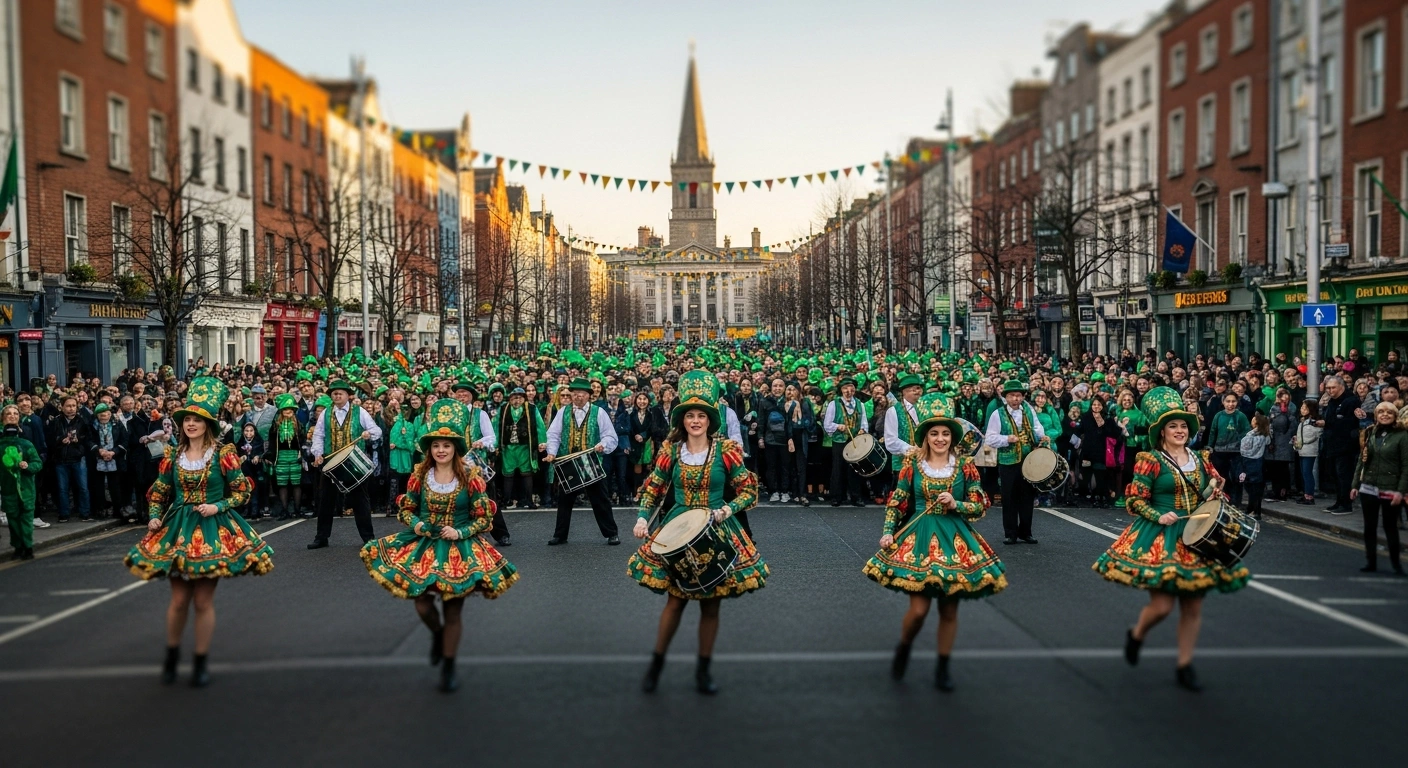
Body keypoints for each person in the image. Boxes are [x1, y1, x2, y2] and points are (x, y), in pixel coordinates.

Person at [1093, 386, 1250, 692]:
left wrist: (1216, 490)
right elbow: (1135, 501)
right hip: (1162, 534)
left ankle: (1185, 664)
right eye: (1172, 426)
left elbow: (1214, 494)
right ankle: (1137, 634)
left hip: (1198, 535)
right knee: (1163, 607)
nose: (1179, 430)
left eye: (1183, 426)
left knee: (1193, 607)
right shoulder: (1149, 460)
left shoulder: (1202, 458)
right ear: (1161, 432)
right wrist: (1158, 515)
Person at [123, 377, 274, 688]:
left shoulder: (223, 453)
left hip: (211, 529)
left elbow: (242, 491)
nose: (190, 424)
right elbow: (159, 491)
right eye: (187, 419)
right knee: (179, 600)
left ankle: (201, 660)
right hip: (177, 527)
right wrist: (153, 518)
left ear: (208, 425)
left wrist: (217, 507)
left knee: (203, 602)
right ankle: (172, 655)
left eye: (197, 420)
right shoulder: (171, 455)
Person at [360, 399, 519, 692]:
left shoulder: (470, 476)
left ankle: (449, 664)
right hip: (423, 545)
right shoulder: (420, 473)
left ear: (455, 448)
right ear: (430, 449)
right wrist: (417, 524)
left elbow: (485, 516)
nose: (441, 450)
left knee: (453, 608)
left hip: (460, 548)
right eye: (436, 446)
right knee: (422, 603)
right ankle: (438, 635)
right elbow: (406, 509)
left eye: (446, 445)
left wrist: (461, 533)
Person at [629, 370, 765, 695]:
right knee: (675, 603)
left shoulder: (727, 450)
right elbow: (654, 488)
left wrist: (727, 510)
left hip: (716, 529)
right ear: (682, 420)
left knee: (711, 605)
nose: (695, 420)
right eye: (689, 415)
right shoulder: (671, 451)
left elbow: (749, 490)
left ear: (709, 420)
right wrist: (642, 518)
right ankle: (656, 663)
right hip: (677, 530)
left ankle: (703, 669)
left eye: (700, 415)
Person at [864, 394, 1006, 691]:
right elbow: (897, 500)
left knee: (949, 610)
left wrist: (957, 504)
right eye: (934, 433)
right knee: (918, 611)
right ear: (925, 436)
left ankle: (943, 666)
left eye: (944, 433)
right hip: (920, 539)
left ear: (952, 436)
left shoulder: (965, 465)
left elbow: (980, 503)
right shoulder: (911, 464)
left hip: (956, 540)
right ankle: (904, 645)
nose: (940, 439)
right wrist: (889, 530)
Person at [544, 378, 620, 546]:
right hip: (568, 462)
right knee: (564, 500)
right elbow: (553, 435)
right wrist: (551, 453)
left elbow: (610, 436)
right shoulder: (563, 412)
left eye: (582, 394)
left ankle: (611, 533)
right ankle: (560, 535)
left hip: (590, 462)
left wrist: (602, 445)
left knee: (600, 499)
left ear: (589, 396)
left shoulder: (599, 412)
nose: (578, 397)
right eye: (575, 394)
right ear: (572, 395)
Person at [307, 380, 383, 549]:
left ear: (348, 395)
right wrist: (318, 454)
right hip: (330, 462)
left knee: (360, 501)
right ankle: (321, 537)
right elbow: (318, 436)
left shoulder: (360, 411)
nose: (337, 395)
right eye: (334, 393)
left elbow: (377, 431)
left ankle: (368, 538)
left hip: (354, 463)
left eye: (340, 393)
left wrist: (367, 434)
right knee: (325, 500)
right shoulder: (325, 413)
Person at [983, 380, 1047, 544]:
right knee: (1009, 497)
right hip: (1008, 461)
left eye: (1018, 396)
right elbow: (990, 438)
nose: (1015, 399)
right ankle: (1010, 533)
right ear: (1006, 397)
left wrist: (1042, 437)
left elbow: (1037, 427)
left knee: (1027, 496)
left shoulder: (1028, 410)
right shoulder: (998, 414)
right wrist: (1006, 439)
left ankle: (1026, 532)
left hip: (1028, 459)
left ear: (1023, 396)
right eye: (1012, 396)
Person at [1350, 402, 1406, 574]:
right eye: (1380, 411)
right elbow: (1362, 460)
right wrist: (1355, 485)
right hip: (1369, 486)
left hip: (1390, 488)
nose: (1385, 415)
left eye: (1389, 412)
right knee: (1370, 527)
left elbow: (1406, 466)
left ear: (1395, 416)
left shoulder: (1402, 436)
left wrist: (1401, 491)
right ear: (1375, 415)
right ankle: (1371, 562)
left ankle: (1396, 564)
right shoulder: (1371, 432)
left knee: (1390, 527)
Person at [0, 406, 44, 560]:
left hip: (26, 488)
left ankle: (27, 547)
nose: (12, 416)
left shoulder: (26, 442)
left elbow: (37, 463)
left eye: (15, 414)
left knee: (26, 519)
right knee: (13, 519)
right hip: (8, 488)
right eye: (8, 414)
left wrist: (28, 466)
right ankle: (18, 546)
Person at [45, 395, 96, 523]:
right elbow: (50, 440)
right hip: (61, 459)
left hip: (78, 458)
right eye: (68, 406)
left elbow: (89, 438)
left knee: (83, 487)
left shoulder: (83, 420)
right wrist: (61, 439)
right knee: (62, 489)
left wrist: (78, 440)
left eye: (73, 406)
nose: (71, 409)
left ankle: (85, 513)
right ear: (61, 407)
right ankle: (64, 514)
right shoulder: (55, 421)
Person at [496, 387, 545, 515]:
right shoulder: (503, 409)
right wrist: (495, 444)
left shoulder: (532, 409)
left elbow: (540, 426)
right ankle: (506, 500)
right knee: (508, 474)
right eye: (514, 398)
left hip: (525, 447)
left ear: (524, 398)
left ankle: (529, 500)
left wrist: (542, 441)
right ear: (510, 399)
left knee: (527, 473)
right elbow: (496, 426)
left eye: (519, 397)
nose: (516, 400)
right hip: (508, 448)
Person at [1318, 376, 1361, 514]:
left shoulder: (1351, 401)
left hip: (1345, 445)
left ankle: (1346, 504)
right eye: (1328, 388)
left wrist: (1327, 424)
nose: (1330, 391)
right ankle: (1339, 502)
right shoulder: (1332, 401)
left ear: (1341, 386)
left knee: (1344, 475)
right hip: (1332, 444)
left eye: (1333, 388)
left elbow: (1349, 423)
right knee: (1335, 475)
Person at [824, 377, 868, 507]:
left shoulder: (860, 404)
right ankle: (837, 496)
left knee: (855, 468)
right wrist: (838, 426)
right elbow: (827, 424)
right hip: (839, 440)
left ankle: (856, 496)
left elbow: (864, 421)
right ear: (841, 391)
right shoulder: (834, 404)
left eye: (851, 388)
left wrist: (862, 430)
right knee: (838, 468)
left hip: (854, 440)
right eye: (845, 388)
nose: (848, 391)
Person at [263, 394, 305, 520]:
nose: (288, 411)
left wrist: (302, 454)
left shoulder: (299, 424)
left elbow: (303, 441)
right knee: (282, 484)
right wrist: (270, 456)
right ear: (281, 411)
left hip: (295, 456)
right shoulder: (275, 425)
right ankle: (285, 510)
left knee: (296, 483)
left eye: (291, 409)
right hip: (280, 457)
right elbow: (271, 442)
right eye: (286, 409)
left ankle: (297, 510)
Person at [882, 374, 924, 491]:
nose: (917, 392)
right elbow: (891, 441)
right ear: (904, 392)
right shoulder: (894, 411)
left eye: (919, 388)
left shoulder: (925, 409)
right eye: (914, 389)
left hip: (925, 465)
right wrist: (912, 450)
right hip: (902, 465)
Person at [1208, 394, 1251, 505]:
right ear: (1223, 402)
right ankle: (1222, 503)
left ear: (1237, 402)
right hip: (1219, 452)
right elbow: (1213, 432)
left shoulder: (1240, 416)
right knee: (1221, 479)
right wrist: (1210, 447)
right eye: (1228, 401)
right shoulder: (1218, 416)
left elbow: (1246, 433)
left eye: (1233, 401)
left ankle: (1236, 504)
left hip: (1236, 453)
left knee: (1236, 480)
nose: (1230, 404)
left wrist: (1239, 444)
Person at [89, 404, 128, 520]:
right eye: (101, 415)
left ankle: (118, 510)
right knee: (98, 487)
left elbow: (124, 440)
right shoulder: (92, 426)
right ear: (97, 416)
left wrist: (113, 452)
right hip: (98, 458)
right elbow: (88, 440)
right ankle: (101, 509)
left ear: (110, 414)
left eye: (106, 414)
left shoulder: (117, 424)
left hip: (114, 458)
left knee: (115, 486)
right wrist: (99, 450)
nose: (104, 417)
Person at [1239, 413, 1271, 519]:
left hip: (1250, 463)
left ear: (1256, 423)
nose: (1251, 421)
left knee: (1251, 489)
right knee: (1257, 490)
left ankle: (1251, 509)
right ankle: (1256, 511)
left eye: (1253, 420)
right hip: (1260, 463)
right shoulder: (1265, 435)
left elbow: (1244, 451)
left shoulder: (1250, 436)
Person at [1294, 400, 1323, 505]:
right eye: (1302, 407)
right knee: (1304, 473)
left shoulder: (1314, 422)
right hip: (1302, 450)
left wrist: (1299, 440)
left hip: (1309, 451)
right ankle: (1306, 493)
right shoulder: (1303, 421)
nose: (1302, 410)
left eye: (1305, 408)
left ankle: (1309, 496)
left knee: (1307, 473)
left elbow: (1311, 436)